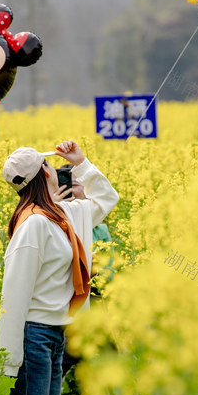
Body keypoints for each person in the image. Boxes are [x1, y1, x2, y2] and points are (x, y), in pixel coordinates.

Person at [0, 140, 119, 395]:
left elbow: (107, 199)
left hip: (57, 331)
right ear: (45, 173)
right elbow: (14, 297)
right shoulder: (33, 225)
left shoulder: (65, 215)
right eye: (50, 165)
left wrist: (82, 163)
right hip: (34, 332)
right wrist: (9, 359)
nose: (56, 168)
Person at [55, 163, 117, 383]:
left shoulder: (98, 227)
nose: (72, 191)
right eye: (67, 186)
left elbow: (107, 276)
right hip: (63, 312)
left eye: (77, 185)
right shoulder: (50, 220)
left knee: (112, 372)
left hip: (94, 307)